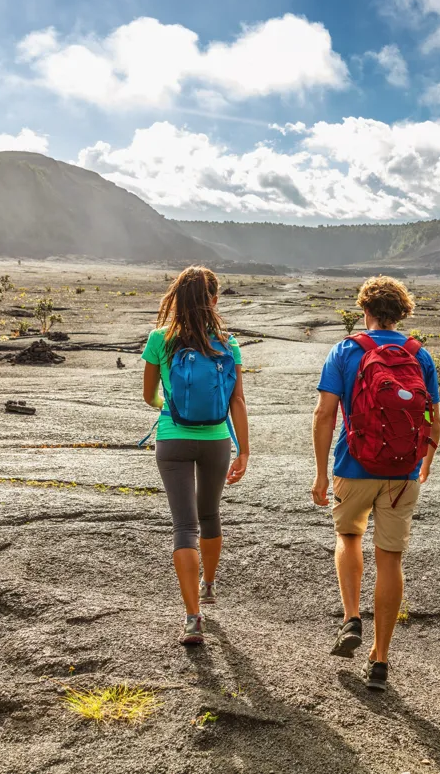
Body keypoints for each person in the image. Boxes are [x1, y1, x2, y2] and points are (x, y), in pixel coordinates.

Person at [311, 275, 440, 692]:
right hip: (402, 472)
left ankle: (352, 618)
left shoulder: (346, 350)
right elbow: (432, 415)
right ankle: (380, 659)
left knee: (348, 536)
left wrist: (319, 472)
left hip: (353, 467)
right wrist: (426, 461)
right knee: (391, 559)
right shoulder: (420, 355)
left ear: (364, 310)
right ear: (402, 313)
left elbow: (325, 414)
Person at [142, 266, 249, 645]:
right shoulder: (228, 342)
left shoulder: (159, 339)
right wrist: (244, 449)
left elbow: (149, 395)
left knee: (184, 526)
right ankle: (209, 584)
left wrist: (168, 406)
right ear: (214, 300)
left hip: (172, 438)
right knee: (209, 514)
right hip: (217, 439)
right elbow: (237, 400)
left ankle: (192, 618)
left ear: (177, 299)